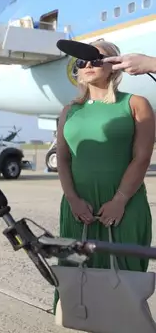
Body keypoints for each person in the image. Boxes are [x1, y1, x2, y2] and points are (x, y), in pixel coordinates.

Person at [53, 39, 154, 312]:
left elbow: (142, 157)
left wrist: (120, 200)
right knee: (80, 287)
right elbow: (63, 158)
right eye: (81, 62)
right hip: (78, 208)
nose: (87, 65)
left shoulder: (136, 104)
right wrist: (72, 199)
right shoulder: (69, 111)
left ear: (114, 67)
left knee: (124, 289)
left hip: (125, 205)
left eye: (97, 60)